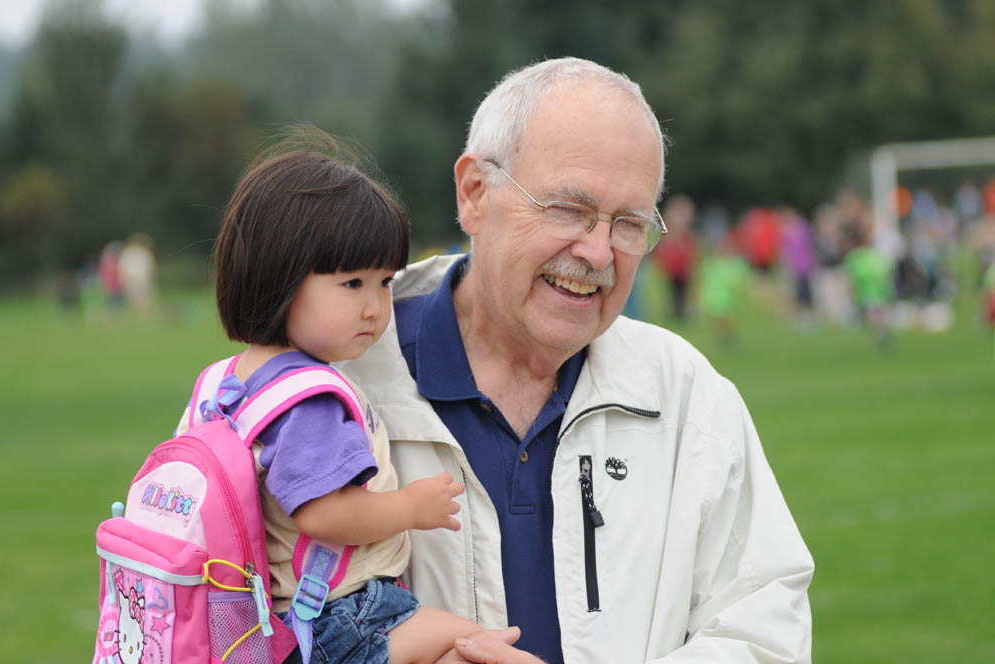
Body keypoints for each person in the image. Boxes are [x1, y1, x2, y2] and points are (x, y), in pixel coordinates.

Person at [338, 58, 814, 663]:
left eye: (629, 224)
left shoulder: (685, 394)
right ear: (475, 194)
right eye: (568, 209)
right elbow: (230, 622)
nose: (596, 252)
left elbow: (764, 632)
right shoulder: (331, 385)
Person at [185, 133, 514, 664]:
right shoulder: (307, 399)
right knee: (479, 646)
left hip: (277, 615)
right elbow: (323, 512)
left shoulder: (225, 383)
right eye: (352, 283)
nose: (375, 308)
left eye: (384, 283)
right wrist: (410, 507)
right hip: (339, 616)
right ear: (280, 277)